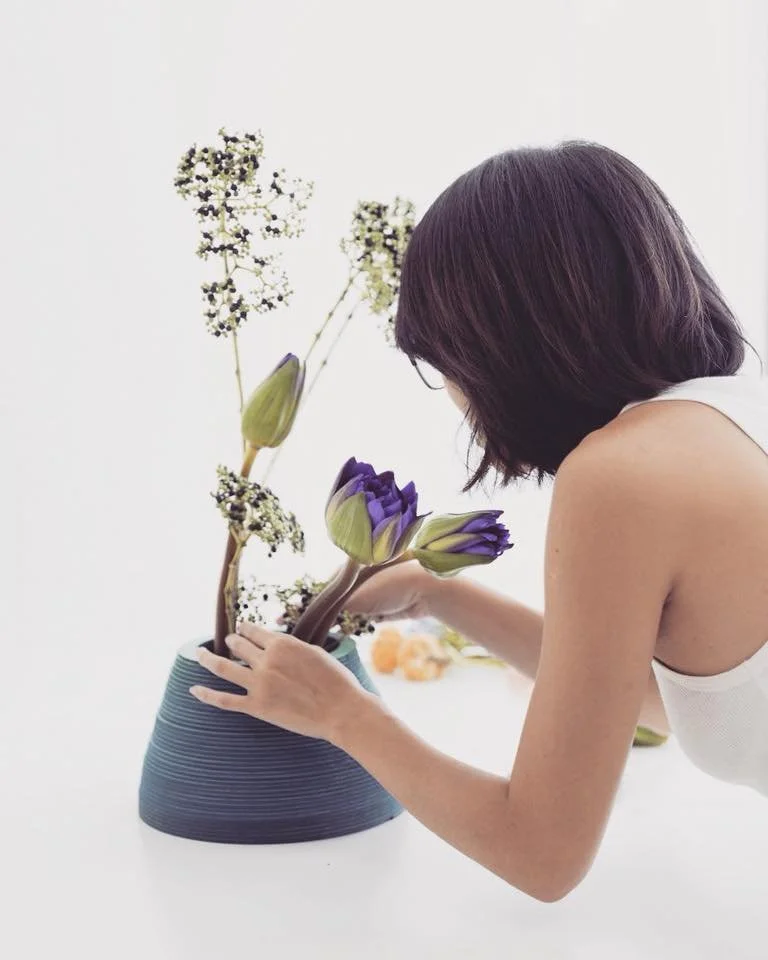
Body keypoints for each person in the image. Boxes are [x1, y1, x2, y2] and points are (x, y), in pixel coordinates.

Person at [190, 142, 768, 902]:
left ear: (500, 341)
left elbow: (540, 854)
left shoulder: (620, 476)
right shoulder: (737, 413)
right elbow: (704, 701)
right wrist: (443, 594)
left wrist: (340, 714)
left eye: (442, 363)